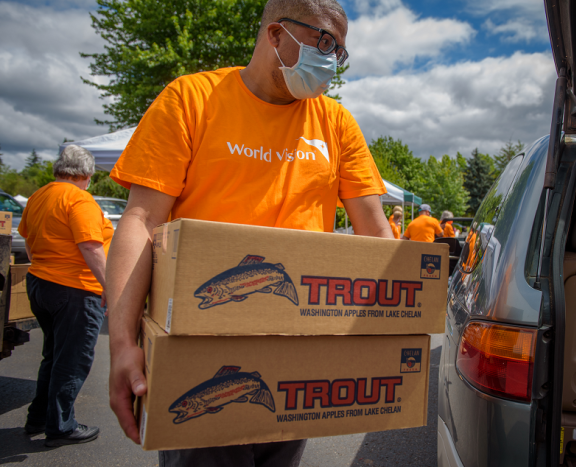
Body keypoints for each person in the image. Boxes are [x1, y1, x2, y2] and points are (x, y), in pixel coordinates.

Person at [105, 1, 392, 466]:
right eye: (322, 42)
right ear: (276, 35)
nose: (330, 60)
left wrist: (391, 331)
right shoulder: (190, 98)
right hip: (196, 356)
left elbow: (375, 230)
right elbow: (141, 220)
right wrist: (123, 343)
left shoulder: (337, 124)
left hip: (297, 357)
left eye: (338, 52)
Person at [19, 145, 112, 447]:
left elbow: (29, 242)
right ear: (87, 174)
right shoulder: (79, 199)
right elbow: (90, 246)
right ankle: (60, 426)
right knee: (72, 359)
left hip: (40, 283)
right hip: (75, 289)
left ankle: (39, 416)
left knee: (54, 355)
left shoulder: (39, 196)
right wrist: (111, 287)